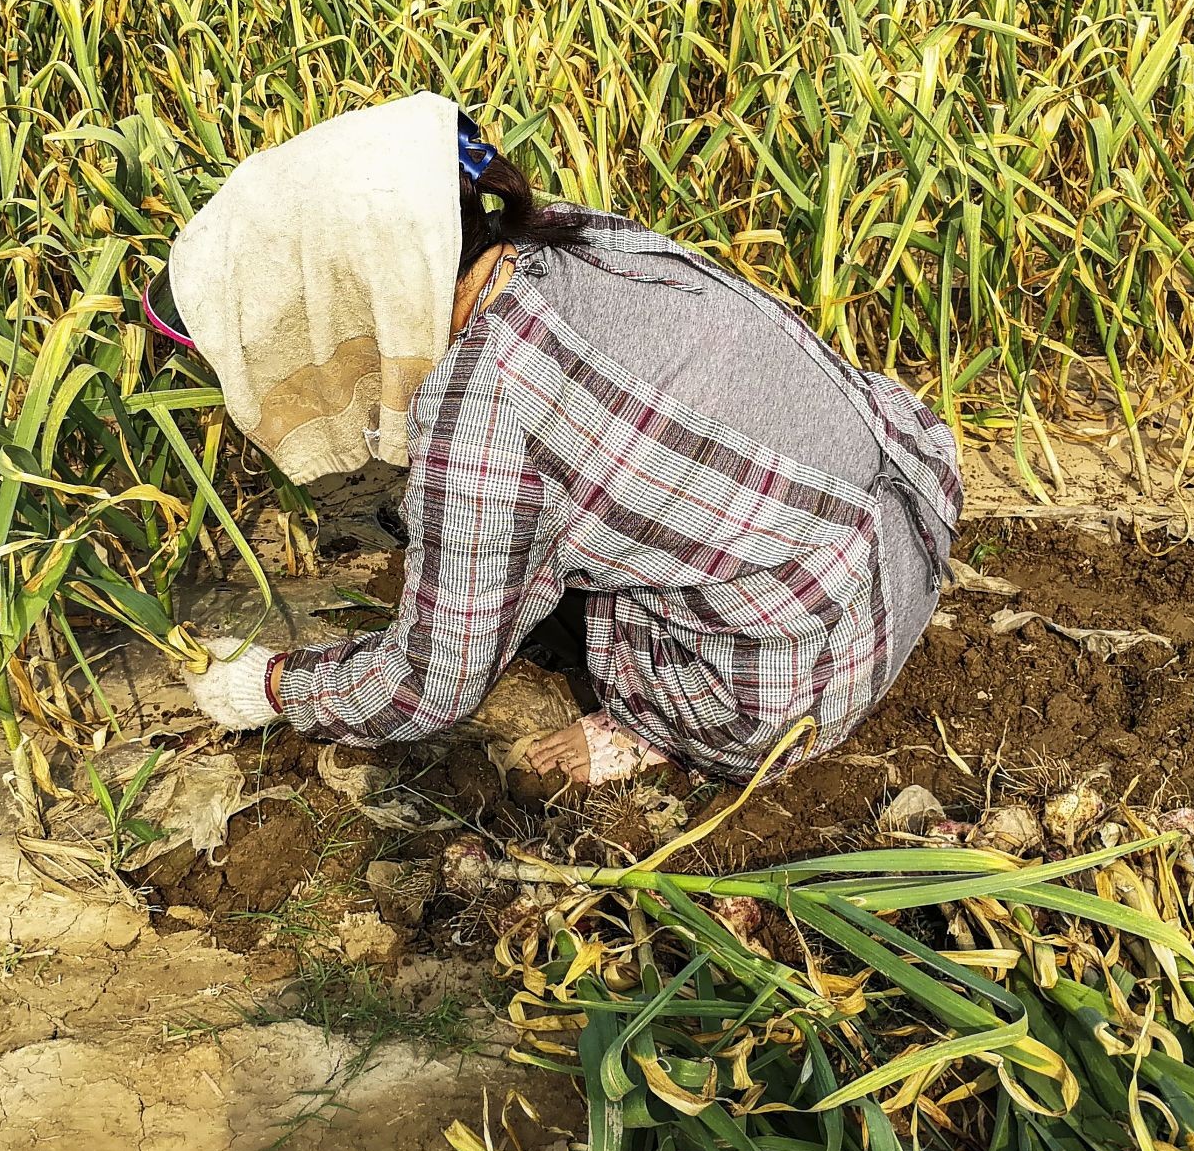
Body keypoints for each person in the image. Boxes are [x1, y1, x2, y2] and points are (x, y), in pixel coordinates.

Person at [162, 91, 960, 786]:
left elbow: (426, 686)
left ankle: (664, 734)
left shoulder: (487, 403)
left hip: (796, 683)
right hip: (904, 526)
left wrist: (271, 686)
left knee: (509, 595)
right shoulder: (571, 236)